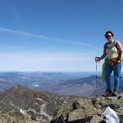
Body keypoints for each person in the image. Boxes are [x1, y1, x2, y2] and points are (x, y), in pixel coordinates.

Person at [95, 31, 123, 96]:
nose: (108, 37)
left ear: (112, 36)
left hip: (117, 61)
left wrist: (121, 58)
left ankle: (115, 90)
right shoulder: (106, 45)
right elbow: (104, 54)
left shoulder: (116, 42)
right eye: (107, 36)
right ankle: (108, 90)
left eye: (110, 36)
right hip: (108, 62)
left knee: (116, 76)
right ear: (106, 37)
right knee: (107, 75)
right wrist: (99, 58)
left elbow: (121, 51)